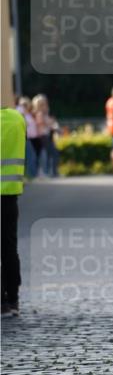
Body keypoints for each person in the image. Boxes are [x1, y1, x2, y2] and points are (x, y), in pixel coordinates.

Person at [1, 106, 27, 317]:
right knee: (10, 248)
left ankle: (1, 302)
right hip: (10, 196)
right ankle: (13, 299)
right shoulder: (17, 119)